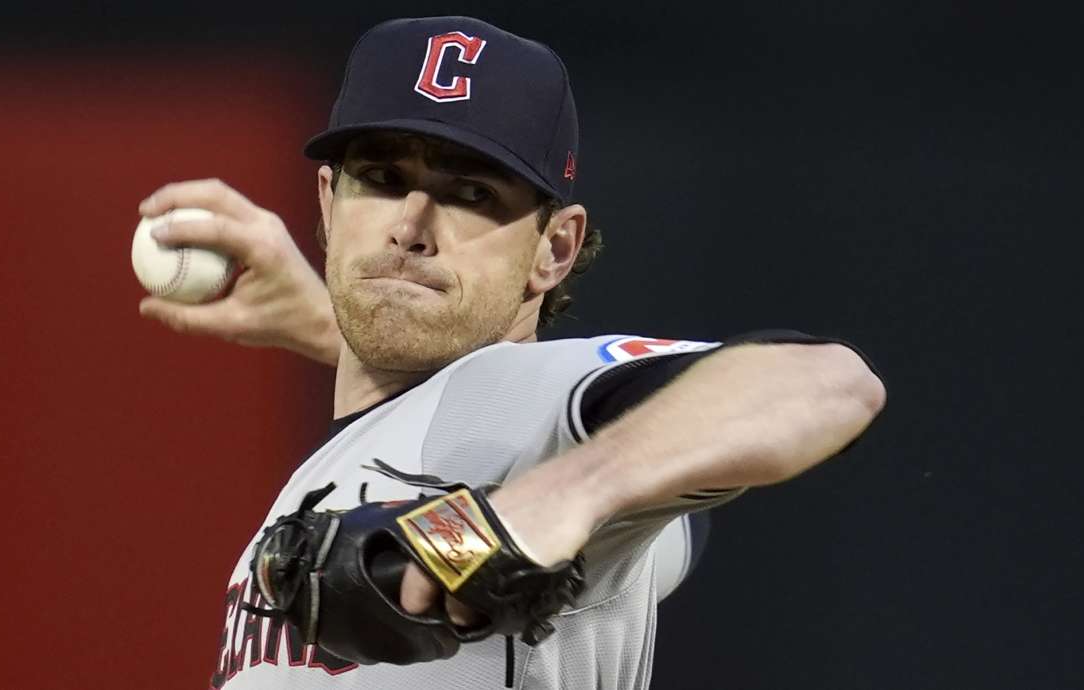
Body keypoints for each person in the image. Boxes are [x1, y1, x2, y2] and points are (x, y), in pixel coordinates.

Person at [136, 16, 887, 690]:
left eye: (469, 193)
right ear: (329, 201)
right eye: (385, 180)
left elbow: (826, 382)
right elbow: (672, 523)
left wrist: (550, 502)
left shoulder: (522, 399)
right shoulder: (401, 445)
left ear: (554, 249)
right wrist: (323, 321)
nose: (412, 225)